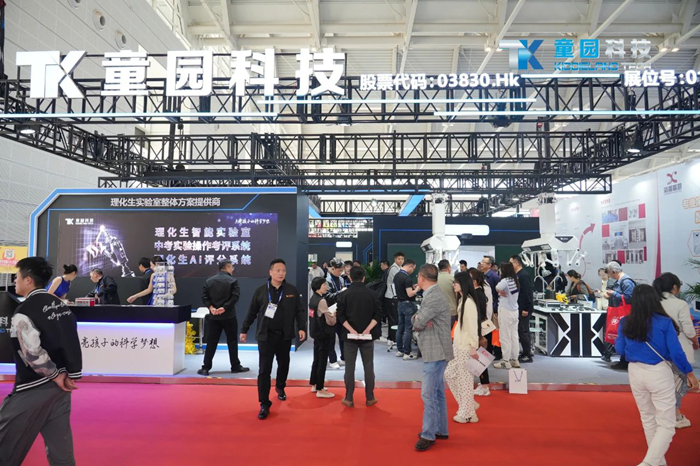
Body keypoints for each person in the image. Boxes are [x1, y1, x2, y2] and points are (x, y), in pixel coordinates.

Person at [0, 257, 82, 466]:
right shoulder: (62, 307)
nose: (15, 281)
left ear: (28, 279)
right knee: (60, 450)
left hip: (33, 386)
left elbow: (32, 353)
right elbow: (70, 340)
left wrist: (54, 375)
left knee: (5, 443)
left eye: (17, 276)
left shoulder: (25, 311)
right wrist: (68, 373)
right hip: (61, 389)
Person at [615, 285, 699, 466]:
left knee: (648, 419)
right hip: (659, 372)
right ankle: (649, 463)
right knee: (667, 424)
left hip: (635, 372)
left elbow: (620, 349)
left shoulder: (625, 322)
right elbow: (676, 353)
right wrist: (689, 373)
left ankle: (658, 463)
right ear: (655, 299)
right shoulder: (664, 322)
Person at [240, 259, 306, 420]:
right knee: (264, 370)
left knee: (283, 364)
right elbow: (252, 311)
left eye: (283, 270)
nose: (281, 273)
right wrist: (244, 329)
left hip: (284, 336)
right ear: (270, 272)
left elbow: (299, 311)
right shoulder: (261, 291)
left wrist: (302, 327)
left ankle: (280, 387)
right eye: (278, 270)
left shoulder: (291, 290)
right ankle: (264, 403)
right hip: (266, 336)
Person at [412, 264, 454, 451]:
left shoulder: (433, 296)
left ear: (421, 278)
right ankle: (440, 429)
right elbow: (420, 320)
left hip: (436, 351)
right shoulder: (433, 294)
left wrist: (418, 319)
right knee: (437, 392)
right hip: (437, 350)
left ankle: (428, 434)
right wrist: (419, 319)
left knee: (428, 394)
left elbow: (418, 322)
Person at [653, 273, 699, 429]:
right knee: (678, 384)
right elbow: (688, 329)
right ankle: (676, 416)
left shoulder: (654, 302)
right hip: (678, 348)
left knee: (663, 384)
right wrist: (695, 342)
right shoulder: (680, 304)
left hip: (657, 350)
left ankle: (664, 414)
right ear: (674, 287)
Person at [337, 266, 381, 407]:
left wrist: (351, 330)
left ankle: (349, 398)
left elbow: (340, 316)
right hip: (367, 336)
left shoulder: (344, 294)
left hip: (350, 336)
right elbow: (378, 314)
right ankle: (370, 397)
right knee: (369, 366)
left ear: (350, 277)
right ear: (364, 278)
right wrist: (368, 329)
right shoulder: (372, 294)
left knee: (349, 367)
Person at [197, 260, 249, 376]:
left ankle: (205, 367)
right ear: (227, 267)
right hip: (229, 316)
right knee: (232, 341)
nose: (232, 269)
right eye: (231, 267)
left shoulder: (209, 281)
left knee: (211, 342)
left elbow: (204, 297)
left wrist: (211, 307)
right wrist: (224, 308)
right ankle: (235, 366)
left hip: (214, 316)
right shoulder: (233, 281)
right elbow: (235, 297)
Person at [445, 272, 480, 424]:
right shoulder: (463, 301)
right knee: (450, 374)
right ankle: (469, 406)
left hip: (465, 346)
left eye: (456, 282)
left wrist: (473, 346)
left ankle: (467, 413)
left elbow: (472, 327)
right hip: (459, 345)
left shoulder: (468, 303)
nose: (453, 284)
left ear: (463, 284)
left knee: (465, 380)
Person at [604, 261, 636, 370]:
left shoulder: (626, 282)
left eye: (609, 273)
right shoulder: (620, 281)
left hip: (625, 314)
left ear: (614, 271)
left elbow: (629, 298)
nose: (609, 276)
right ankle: (623, 360)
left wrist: (614, 294)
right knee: (621, 337)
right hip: (620, 314)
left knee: (626, 336)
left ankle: (626, 361)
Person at [308, 277, 336, 399]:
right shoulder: (322, 301)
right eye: (324, 285)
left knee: (316, 359)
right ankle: (320, 388)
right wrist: (334, 315)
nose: (326, 287)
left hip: (315, 332)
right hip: (323, 333)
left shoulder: (313, 299)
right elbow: (330, 321)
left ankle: (314, 384)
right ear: (318, 287)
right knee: (322, 360)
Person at [470, 268, 492, 396]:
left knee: (480, 358)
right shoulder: (479, 292)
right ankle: (484, 385)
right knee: (480, 358)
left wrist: (478, 333)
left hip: (480, 329)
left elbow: (479, 315)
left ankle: (484, 386)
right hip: (481, 328)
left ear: (474, 281)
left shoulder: (478, 294)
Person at [325, 257, 350, 369]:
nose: (341, 272)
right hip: (330, 313)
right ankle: (332, 360)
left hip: (340, 311)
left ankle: (344, 358)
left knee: (343, 336)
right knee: (331, 338)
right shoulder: (327, 281)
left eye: (342, 270)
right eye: (339, 270)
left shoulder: (341, 279)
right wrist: (341, 292)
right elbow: (328, 297)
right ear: (333, 268)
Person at [494, 262, 520, 369]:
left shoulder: (505, 281)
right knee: (514, 336)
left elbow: (497, 287)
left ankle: (505, 360)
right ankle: (515, 359)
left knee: (505, 336)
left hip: (505, 311)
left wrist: (500, 292)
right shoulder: (515, 280)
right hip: (515, 311)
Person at [510, 255, 534, 364]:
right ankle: (526, 351)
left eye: (511, 263)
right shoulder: (518, 275)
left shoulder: (523, 276)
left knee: (523, 331)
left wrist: (526, 309)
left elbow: (527, 293)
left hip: (524, 308)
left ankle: (527, 355)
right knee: (523, 330)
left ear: (517, 263)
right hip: (519, 307)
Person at [394, 258, 419, 359]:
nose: (413, 271)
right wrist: (418, 288)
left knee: (400, 327)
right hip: (408, 305)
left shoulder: (397, 275)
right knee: (408, 329)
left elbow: (403, 289)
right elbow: (410, 294)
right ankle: (407, 353)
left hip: (400, 304)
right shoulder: (407, 278)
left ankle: (400, 350)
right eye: (413, 269)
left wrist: (412, 286)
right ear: (410, 266)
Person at [383, 252, 405, 343]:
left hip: (394, 296)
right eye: (399, 259)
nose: (400, 261)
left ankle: (393, 337)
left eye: (402, 259)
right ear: (395, 259)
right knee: (393, 319)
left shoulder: (399, 268)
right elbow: (398, 282)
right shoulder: (394, 269)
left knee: (395, 318)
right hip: (392, 297)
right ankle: (393, 338)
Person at [436, 260, 457, 326]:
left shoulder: (434, 280)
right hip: (451, 312)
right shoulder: (453, 279)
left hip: (437, 312)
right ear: (448, 267)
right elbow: (457, 296)